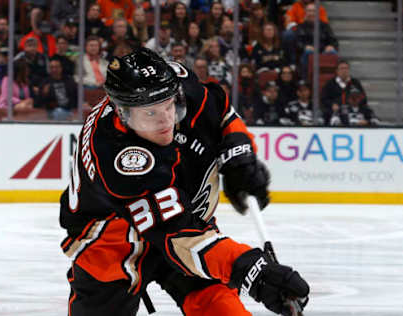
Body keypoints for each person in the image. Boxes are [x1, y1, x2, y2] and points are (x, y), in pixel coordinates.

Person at [59, 47, 309, 316]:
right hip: (111, 239)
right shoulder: (117, 156)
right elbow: (179, 236)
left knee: (222, 308)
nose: (167, 120)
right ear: (123, 113)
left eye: (170, 106)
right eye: (151, 114)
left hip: (176, 212)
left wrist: (239, 154)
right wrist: (252, 270)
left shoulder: (175, 83)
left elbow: (222, 111)